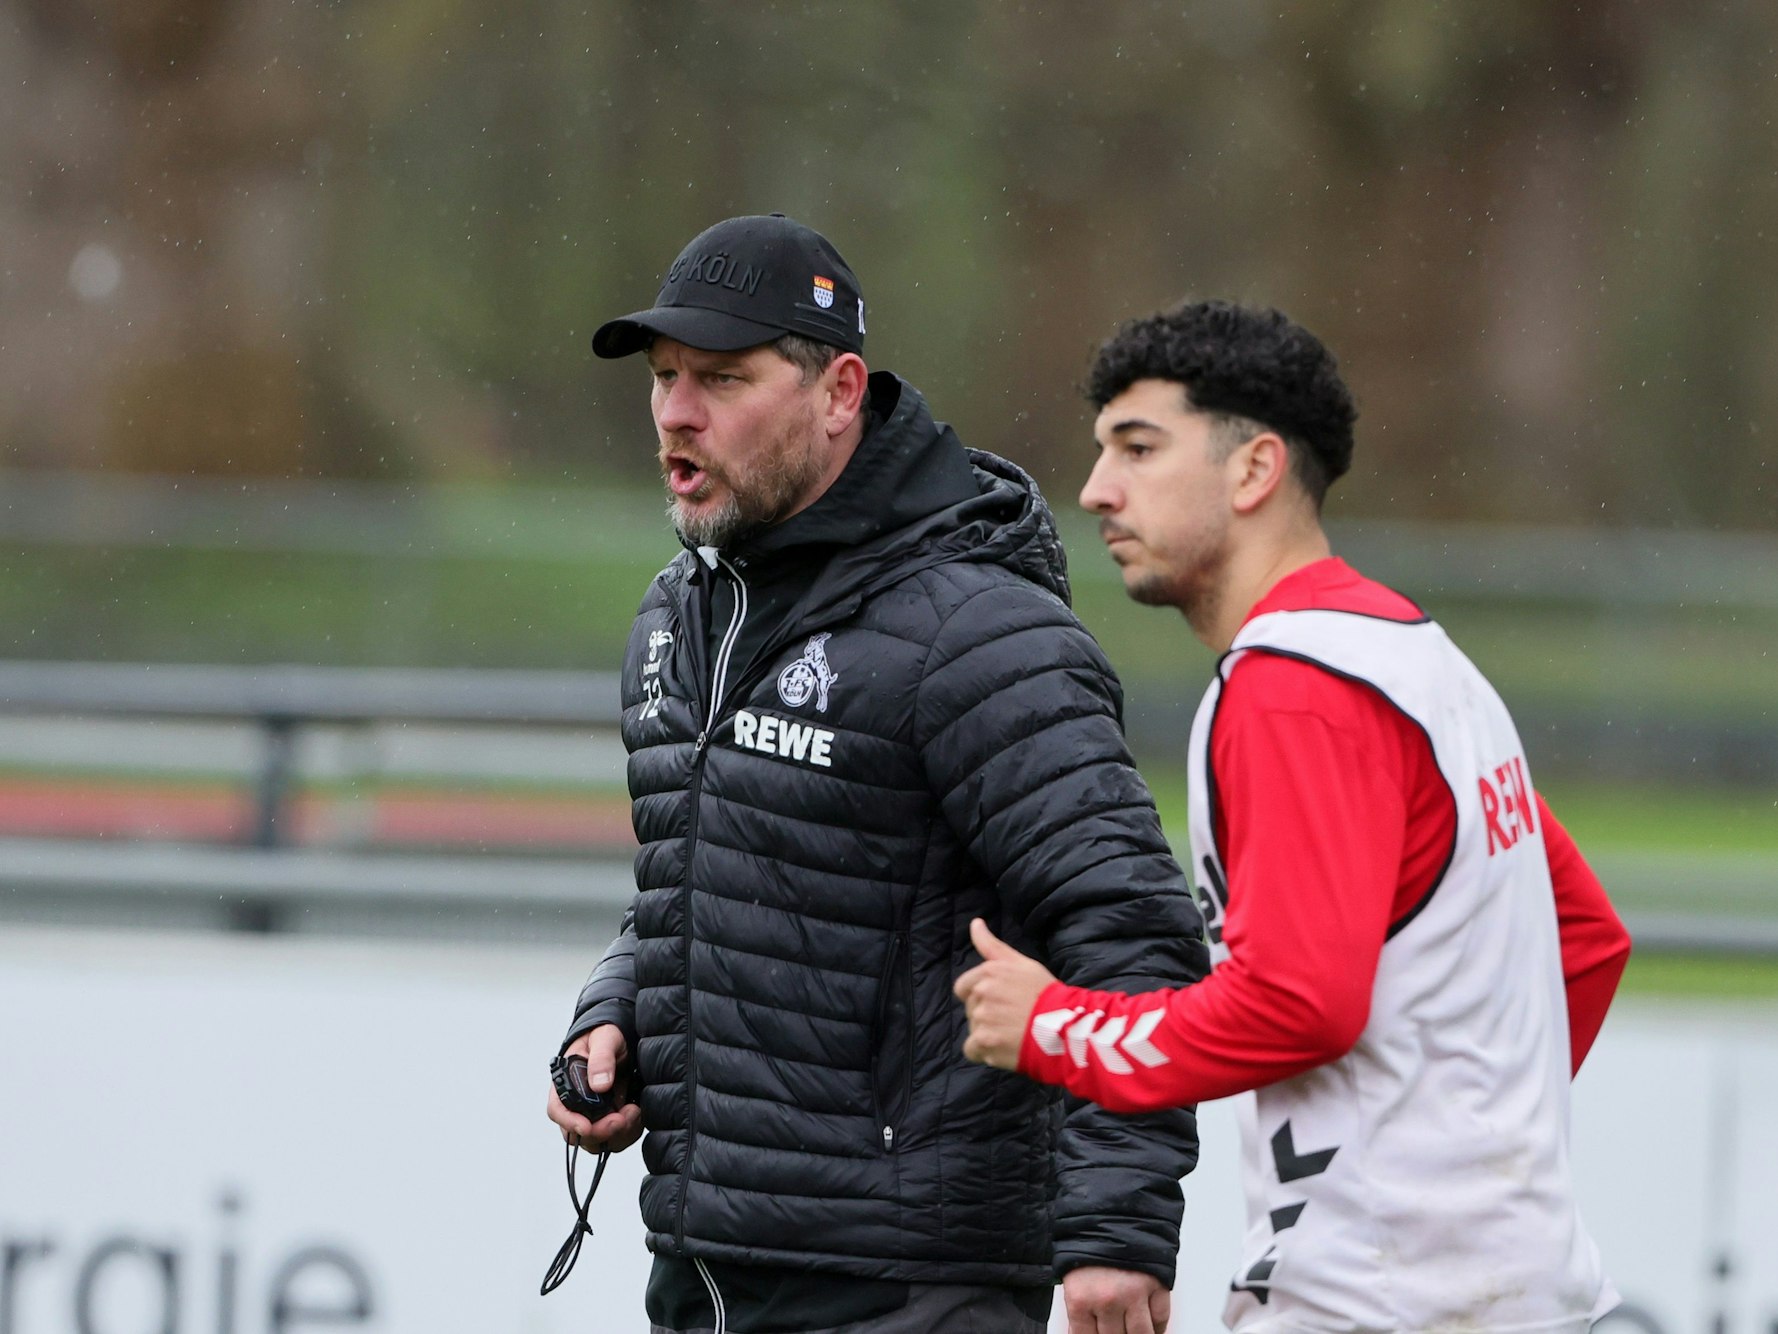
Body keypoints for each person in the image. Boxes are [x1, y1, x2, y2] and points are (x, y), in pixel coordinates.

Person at [544, 213, 1208, 1334]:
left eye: (720, 377)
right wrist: (614, 1013)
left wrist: (1115, 1228)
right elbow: (706, 873)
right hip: (704, 1267)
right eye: (662, 378)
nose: (675, 412)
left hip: (907, 1283)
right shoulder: (676, 610)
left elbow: (1128, 927)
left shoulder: (977, 627)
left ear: (839, 390)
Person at [954, 300, 1633, 1333]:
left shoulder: (1291, 684)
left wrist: (1054, 1024)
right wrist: (1466, 1143)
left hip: (1383, 1299)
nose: (1096, 488)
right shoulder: (1414, 653)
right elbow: (1584, 939)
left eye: (1137, 448)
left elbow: (1297, 1004)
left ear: (1252, 469)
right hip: (1508, 1286)